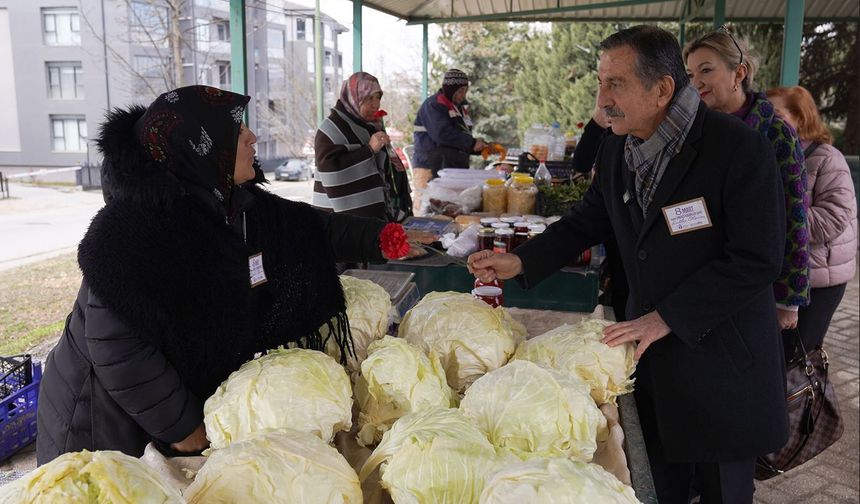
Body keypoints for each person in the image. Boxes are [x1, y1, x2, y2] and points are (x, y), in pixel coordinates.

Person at [468, 26, 789, 503]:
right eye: (601, 83)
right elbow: (587, 220)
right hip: (650, 369)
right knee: (658, 486)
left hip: (721, 371)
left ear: (661, 89)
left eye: (614, 84)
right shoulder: (620, 147)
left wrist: (668, 317)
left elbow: (757, 259)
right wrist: (520, 261)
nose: (602, 100)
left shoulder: (737, 149)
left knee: (723, 492)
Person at [36, 85, 414, 464]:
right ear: (199, 148)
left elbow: (305, 227)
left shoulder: (228, 201)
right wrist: (182, 426)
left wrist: (383, 238)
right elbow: (117, 347)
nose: (253, 137)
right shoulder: (131, 233)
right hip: (103, 419)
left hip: (164, 406)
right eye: (237, 131)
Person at [684, 27, 810, 331]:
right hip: (702, 279)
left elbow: (795, 213)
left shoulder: (774, 132)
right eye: (689, 74)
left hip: (754, 281)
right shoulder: (695, 130)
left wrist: (788, 299)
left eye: (706, 70)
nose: (696, 81)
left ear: (738, 73)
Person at [766, 85, 858, 358]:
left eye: (775, 114)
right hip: (785, 274)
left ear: (800, 118)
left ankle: (806, 401)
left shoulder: (827, 158)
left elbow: (833, 218)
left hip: (819, 279)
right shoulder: (772, 156)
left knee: (801, 358)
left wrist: (779, 216)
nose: (767, 121)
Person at [313, 72, 412, 222]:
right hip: (338, 223)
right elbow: (330, 167)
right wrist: (369, 150)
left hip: (373, 221)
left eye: (378, 97)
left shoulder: (370, 126)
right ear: (353, 98)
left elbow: (384, 169)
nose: (376, 104)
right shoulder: (331, 128)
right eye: (369, 98)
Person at [411, 69, 489, 211]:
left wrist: (479, 147)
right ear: (449, 89)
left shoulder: (458, 108)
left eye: (465, 91)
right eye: (459, 91)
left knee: (449, 209)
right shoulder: (434, 105)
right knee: (426, 207)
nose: (462, 95)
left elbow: (459, 136)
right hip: (429, 166)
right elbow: (442, 134)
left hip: (450, 167)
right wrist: (471, 143)